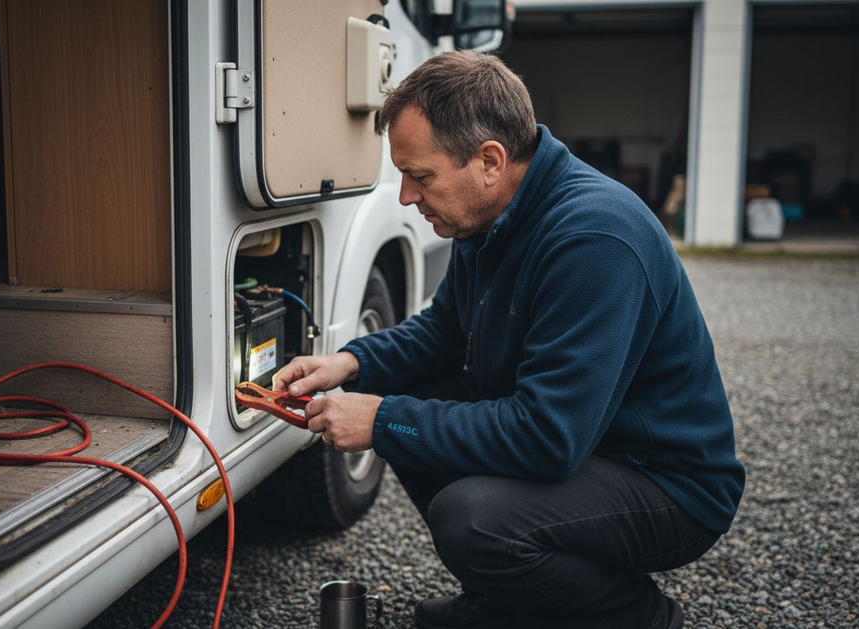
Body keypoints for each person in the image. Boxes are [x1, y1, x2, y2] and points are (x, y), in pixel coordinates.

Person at [272, 51, 745, 629]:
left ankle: (636, 615)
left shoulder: (595, 240)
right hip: (588, 442)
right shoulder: (488, 213)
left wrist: (382, 418)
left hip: (665, 482)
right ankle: (510, 597)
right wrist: (349, 362)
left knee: (472, 518)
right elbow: (445, 328)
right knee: (408, 398)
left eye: (420, 176)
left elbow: (548, 437)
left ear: (489, 161)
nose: (405, 197)